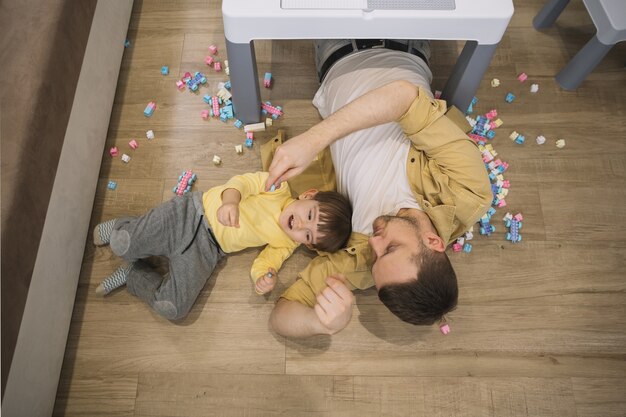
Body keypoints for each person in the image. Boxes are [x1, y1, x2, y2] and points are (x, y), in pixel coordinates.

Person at [261, 40, 493, 337]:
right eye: (391, 248)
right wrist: (313, 140)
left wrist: (318, 323)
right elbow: (403, 98)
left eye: (377, 259)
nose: (374, 244)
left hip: (336, 49)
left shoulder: (359, 261)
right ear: (434, 242)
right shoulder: (469, 192)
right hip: (404, 40)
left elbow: (280, 316)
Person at [92, 171, 352, 320]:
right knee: (121, 243)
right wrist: (231, 202)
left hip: (208, 250)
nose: (300, 228)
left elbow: (267, 261)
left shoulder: (286, 243)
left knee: (173, 308)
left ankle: (134, 275)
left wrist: (264, 277)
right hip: (191, 212)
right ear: (308, 195)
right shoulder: (278, 187)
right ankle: (122, 227)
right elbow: (242, 182)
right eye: (309, 217)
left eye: (307, 237)